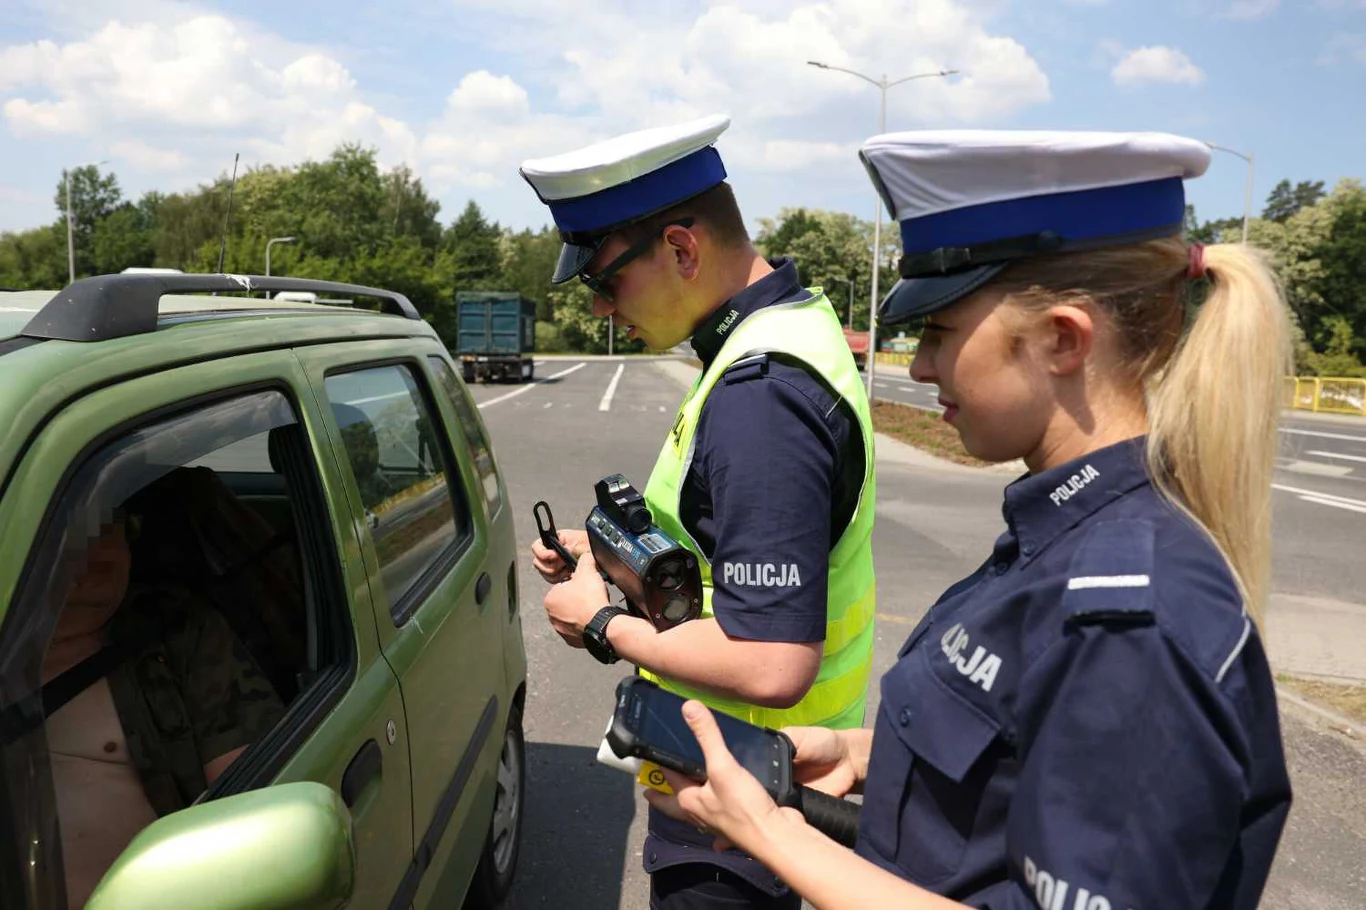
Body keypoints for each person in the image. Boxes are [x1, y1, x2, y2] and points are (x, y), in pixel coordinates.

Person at [647, 129, 1295, 910]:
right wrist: (869, 754)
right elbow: (1023, 770)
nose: (919, 365)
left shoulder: (1130, 615)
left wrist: (770, 834)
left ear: (1061, 338)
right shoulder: (1061, 539)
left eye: (940, 332)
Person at [521, 115, 878, 908]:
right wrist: (616, 560)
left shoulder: (761, 395)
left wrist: (601, 624)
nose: (602, 311)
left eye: (604, 282)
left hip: (741, 827)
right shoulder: (780, 333)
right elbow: (727, 546)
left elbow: (774, 660)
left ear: (682, 249)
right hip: (748, 799)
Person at [41, 504, 285, 907]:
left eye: (111, 521)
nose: (98, 543)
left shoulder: (177, 634)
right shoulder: (12, 651)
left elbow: (255, 814)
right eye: (70, 529)